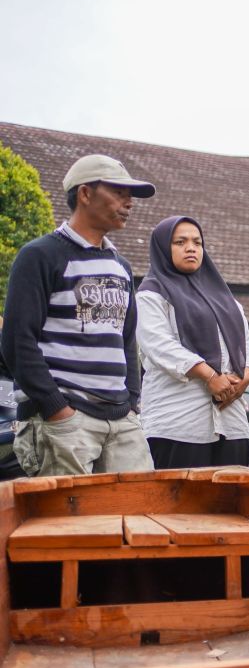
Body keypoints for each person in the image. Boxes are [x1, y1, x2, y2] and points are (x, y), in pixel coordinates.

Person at [2, 154, 154, 476]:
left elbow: (126, 340)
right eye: (119, 192)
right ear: (85, 194)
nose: (129, 202)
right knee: (67, 522)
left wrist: (131, 400)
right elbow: (17, 341)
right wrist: (56, 408)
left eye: (131, 196)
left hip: (120, 418)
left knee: (135, 511)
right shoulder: (40, 256)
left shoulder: (121, 267)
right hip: (65, 420)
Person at [137, 216, 249, 469]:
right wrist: (210, 376)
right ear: (163, 248)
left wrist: (245, 377)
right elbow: (160, 346)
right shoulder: (151, 295)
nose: (191, 248)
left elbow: (246, 343)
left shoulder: (226, 299)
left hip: (231, 420)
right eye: (180, 242)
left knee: (229, 502)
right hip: (178, 421)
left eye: (197, 242)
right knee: (179, 505)